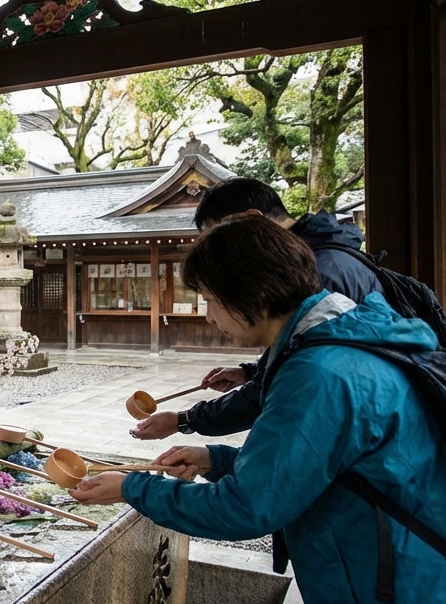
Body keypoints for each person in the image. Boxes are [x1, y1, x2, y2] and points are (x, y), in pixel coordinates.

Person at [70, 216, 446, 604]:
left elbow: (246, 508)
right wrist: (215, 458)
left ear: (253, 295)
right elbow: (323, 463)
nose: (209, 315)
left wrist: (131, 487)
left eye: (211, 300)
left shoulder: (321, 373)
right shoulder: (340, 341)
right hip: (418, 588)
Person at [132, 177, 382, 440]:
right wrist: (251, 372)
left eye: (222, 240)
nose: (210, 317)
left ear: (253, 220)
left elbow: (285, 392)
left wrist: (186, 420)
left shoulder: (320, 272)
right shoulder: (319, 259)